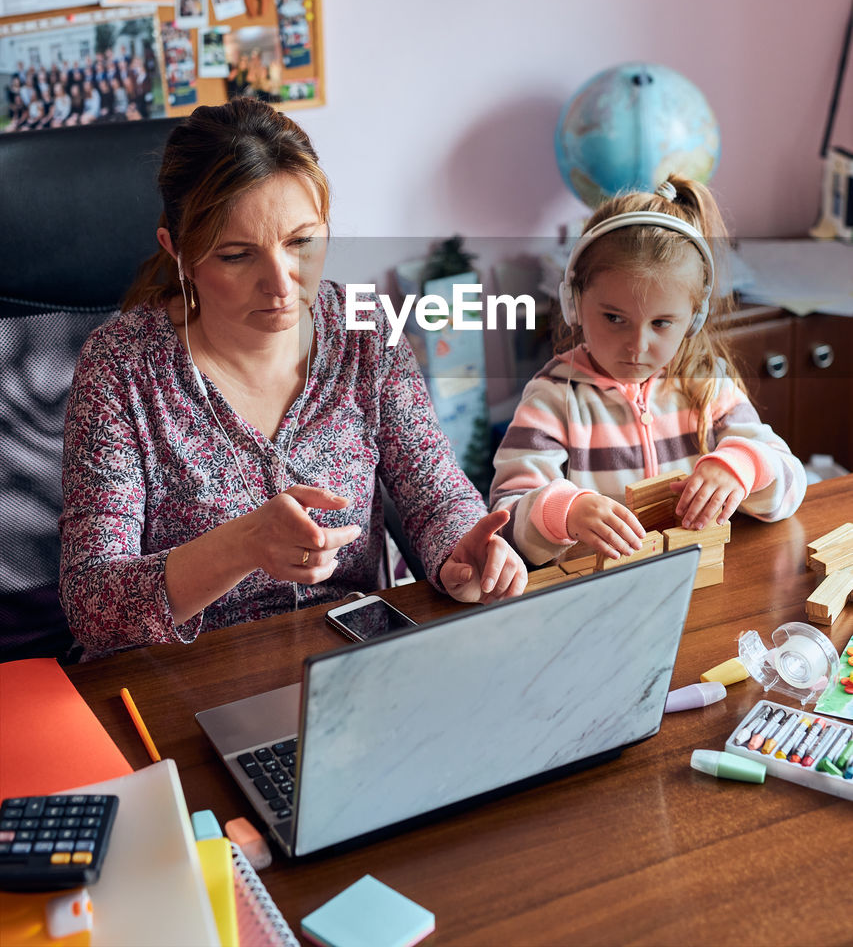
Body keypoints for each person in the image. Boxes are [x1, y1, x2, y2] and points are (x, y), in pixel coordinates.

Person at [59, 99, 525, 658]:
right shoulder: (120, 368)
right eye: (237, 256)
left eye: (302, 242)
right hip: (178, 681)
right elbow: (91, 605)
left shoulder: (367, 331)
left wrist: (465, 552)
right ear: (179, 254)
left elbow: (434, 491)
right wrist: (241, 545)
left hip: (346, 662)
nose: (282, 285)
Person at [490, 177, 806, 568]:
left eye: (661, 324)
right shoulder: (552, 397)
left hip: (697, 586)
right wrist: (565, 512)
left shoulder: (707, 381)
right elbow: (504, 521)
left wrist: (743, 468)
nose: (637, 346)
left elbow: (792, 486)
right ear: (573, 303)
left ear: (694, 318)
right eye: (614, 318)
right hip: (598, 598)